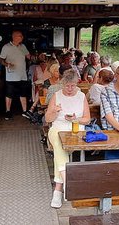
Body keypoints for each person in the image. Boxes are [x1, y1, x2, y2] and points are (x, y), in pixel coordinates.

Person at [45, 69, 90, 208]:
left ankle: (59, 189)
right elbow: (48, 119)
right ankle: (66, 183)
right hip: (58, 127)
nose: (70, 89)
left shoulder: (81, 96)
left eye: (73, 85)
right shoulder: (56, 95)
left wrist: (75, 118)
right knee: (59, 143)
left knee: (59, 152)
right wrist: (54, 111)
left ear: (77, 84)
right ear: (62, 84)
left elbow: (87, 120)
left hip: (75, 128)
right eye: (67, 85)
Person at [0, 30, 31, 120]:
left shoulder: (23, 46)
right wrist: (7, 64)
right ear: (14, 37)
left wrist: (33, 57)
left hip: (22, 75)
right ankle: (8, 111)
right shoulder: (6, 47)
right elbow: (0, 60)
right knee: (9, 94)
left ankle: (24, 111)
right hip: (11, 76)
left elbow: (29, 56)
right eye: (20, 36)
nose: (22, 37)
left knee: (23, 94)